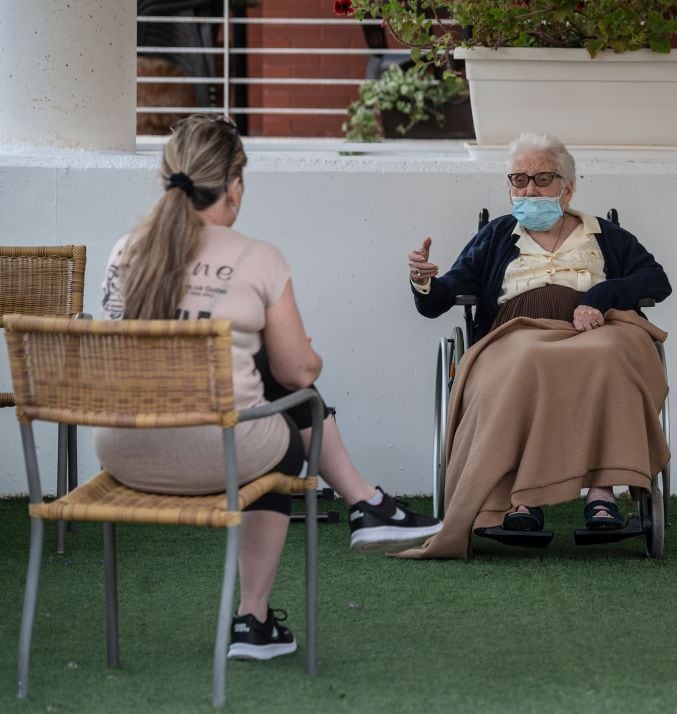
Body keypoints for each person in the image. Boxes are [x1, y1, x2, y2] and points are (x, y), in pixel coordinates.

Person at [94, 115, 441, 661]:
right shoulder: (257, 257)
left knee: (265, 382)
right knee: (285, 429)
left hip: (122, 450)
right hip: (219, 454)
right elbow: (301, 373)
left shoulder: (123, 250)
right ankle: (254, 616)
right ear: (234, 186)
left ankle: (367, 505)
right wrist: (311, 350)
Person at [400, 131, 671, 558]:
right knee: (527, 359)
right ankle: (521, 498)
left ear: (568, 187)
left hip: (595, 329)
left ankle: (602, 491)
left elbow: (656, 281)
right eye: (519, 179)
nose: (530, 188)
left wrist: (599, 296)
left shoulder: (605, 234)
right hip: (517, 332)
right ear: (509, 188)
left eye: (543, 178)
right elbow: (446, 294)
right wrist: (424, 281)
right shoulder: (496, 236)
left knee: (608, 355)